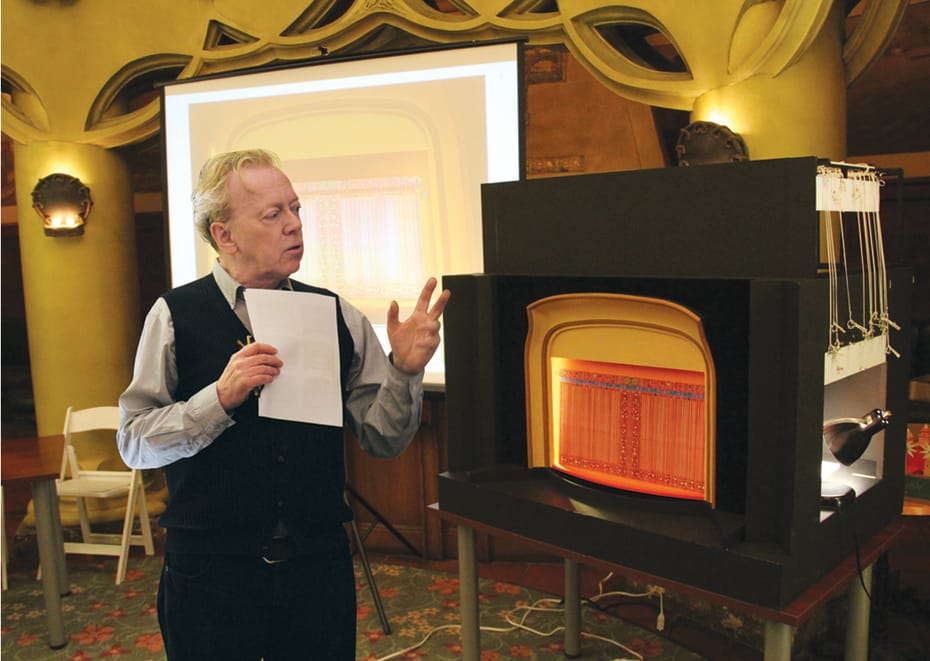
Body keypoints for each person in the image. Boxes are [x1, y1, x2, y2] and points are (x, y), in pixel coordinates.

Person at [117, 148, 450, 660]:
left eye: (296, 209)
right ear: (223, 234)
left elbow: (383, 438)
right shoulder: (175, 314)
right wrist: (219, 399)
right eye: (273, 215)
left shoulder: (336, 313)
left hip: (315, 568)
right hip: (211, 572)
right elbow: (134, 443)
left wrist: (405, 369)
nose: (295, 225)